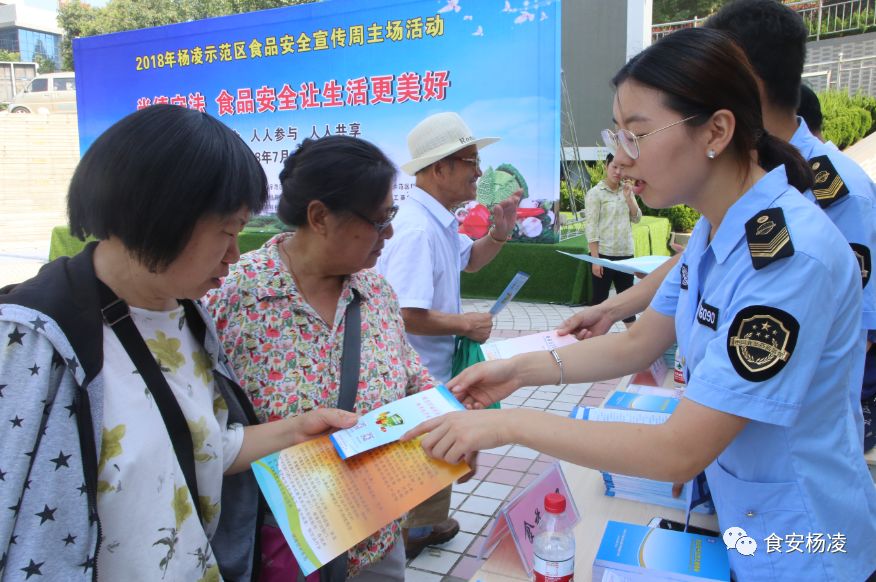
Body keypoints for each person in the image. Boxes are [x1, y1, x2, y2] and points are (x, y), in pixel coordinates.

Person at [404, 28, 876, 581]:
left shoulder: (787, 261)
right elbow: (636, 342)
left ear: (717, 131)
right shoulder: (714, 230)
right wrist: (515, 371)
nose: (620, 158)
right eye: (617, 134)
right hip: (746, 518)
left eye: (637, 134)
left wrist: (509, 427)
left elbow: (679, 451)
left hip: (807, 545)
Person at [0, 105, 357, 581]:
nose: (235, 254)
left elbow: (206, 448)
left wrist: (298, 430)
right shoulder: (33, 341)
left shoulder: (186, 316)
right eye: (227, 232)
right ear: (160, 215)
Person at [207, 135, 447, 579]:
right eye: (378, 220)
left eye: (390, 217)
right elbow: (206, 430)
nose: (388, 234)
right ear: (319, 217)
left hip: (377, 536)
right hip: (284, 546)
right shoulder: (236, 296)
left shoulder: (373, 290)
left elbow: (411, 375)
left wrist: (451, 422)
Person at [707, 0, 876, 452]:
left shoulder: (838, 191)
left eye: (710, 77)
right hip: (732, 419)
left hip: (796, 436)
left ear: (747, 83)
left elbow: (856, 328)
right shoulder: (737, 177)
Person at [375, 111, 519, 558]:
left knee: (435, 455)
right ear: (440, 169)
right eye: (470, 161)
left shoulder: (436, 220)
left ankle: (427, 525)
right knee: (424, 455)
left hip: (433, 368)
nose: (479, 172)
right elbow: (402, 313)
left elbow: (470, 260)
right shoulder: (416, 230)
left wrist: (500, 233)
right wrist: (464, 323)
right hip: (416, 374)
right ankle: (409, 537)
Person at [585, 153, 642, 328]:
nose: (618, 172)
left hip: (626, 255)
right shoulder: (596, 193)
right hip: (603, 255)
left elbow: (637, 217)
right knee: (599, 303)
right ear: (606, 167)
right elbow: (591, 228)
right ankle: (590, 343)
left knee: (627, 304)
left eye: (622, 168)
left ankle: (635, 343)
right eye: (614, 167)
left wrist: (628, 198)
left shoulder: (626, 191)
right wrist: (595, 260)